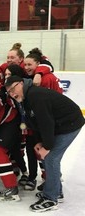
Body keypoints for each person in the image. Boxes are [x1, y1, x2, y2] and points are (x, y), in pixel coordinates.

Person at [5, 75, 84, 212]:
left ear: (21, 83)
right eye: (9, 92)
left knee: (51, 158)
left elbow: (46, 123)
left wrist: (47, 146)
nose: (12, 94)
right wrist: (39, 141)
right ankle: (56, 191)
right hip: (60, 125)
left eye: (13, 89)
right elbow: (34, 122)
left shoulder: (36, 96)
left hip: (70, 124)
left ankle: (51, 198)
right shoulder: (26, 98)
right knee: (50, 157)